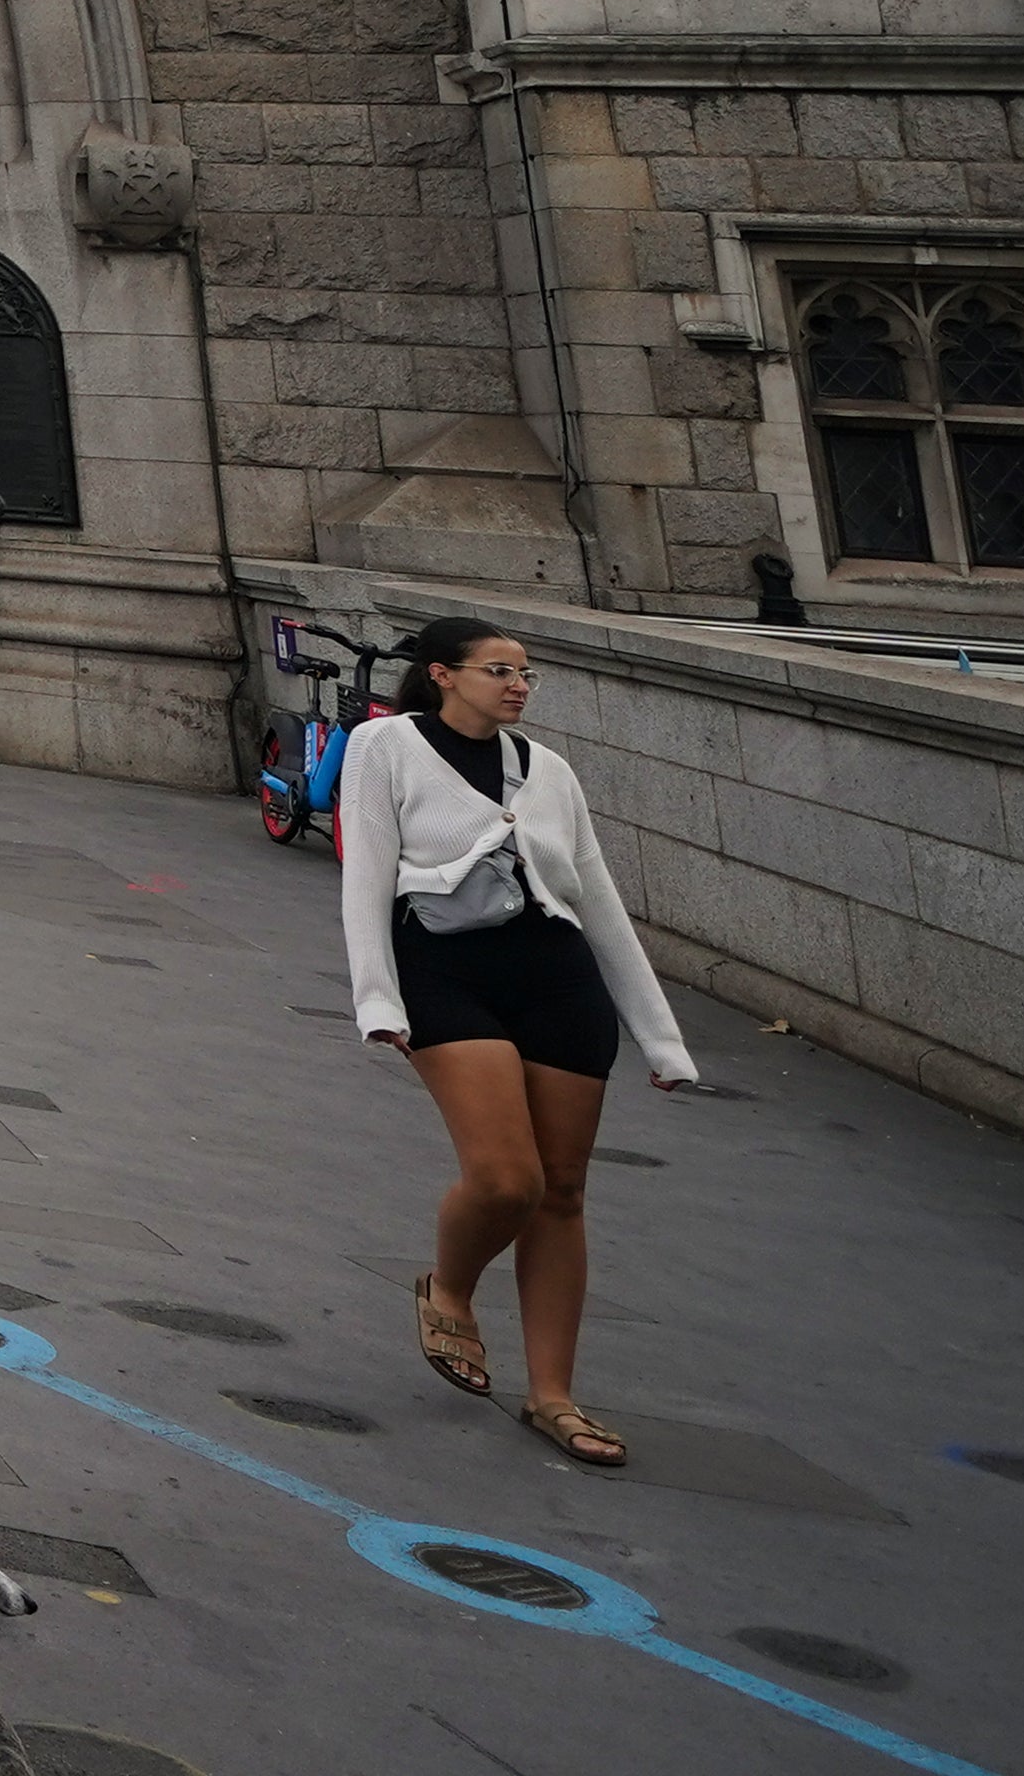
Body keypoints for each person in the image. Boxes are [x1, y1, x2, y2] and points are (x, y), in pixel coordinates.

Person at [340, 618, 699, 1471]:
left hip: (558, 978)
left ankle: (553, 1397)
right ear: (443, 674)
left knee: (563, 1191)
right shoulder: (384, 747)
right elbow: (366, 874)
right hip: (444, 971)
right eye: (500, 670)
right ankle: (452, 1289)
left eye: (527, 675)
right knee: (509, 1177)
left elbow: (596, 895)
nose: (518, 686)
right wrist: (376, 997)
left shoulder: (551, 771)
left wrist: (660, 1035)